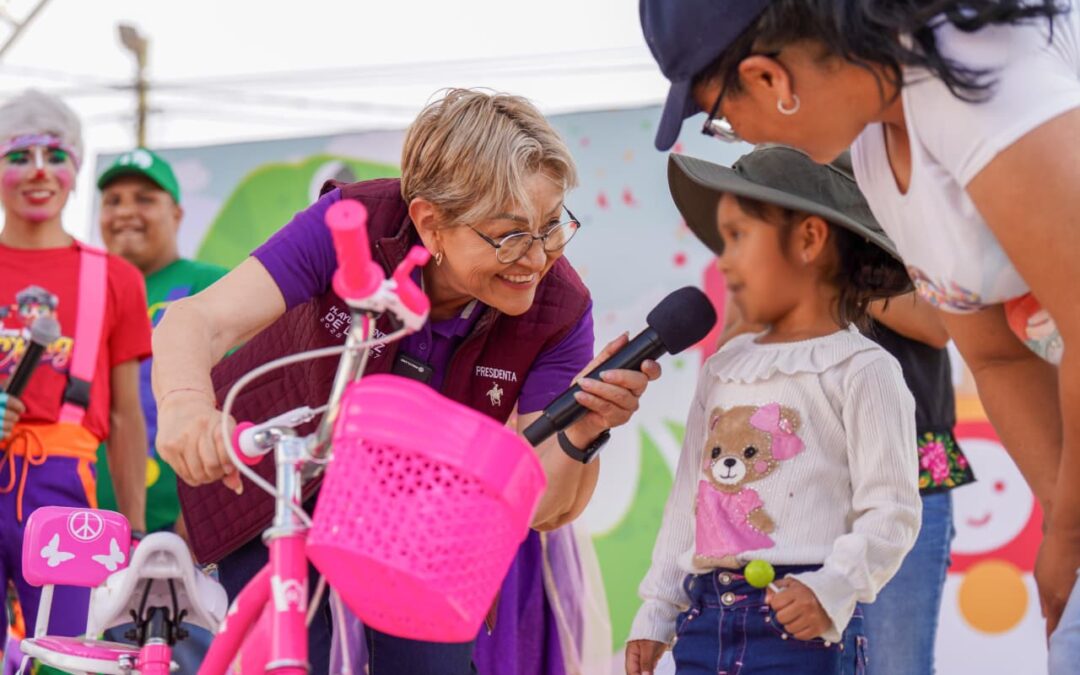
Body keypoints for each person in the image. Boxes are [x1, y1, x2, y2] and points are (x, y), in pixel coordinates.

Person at [150, 88, 660, 675]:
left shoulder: (560, 308)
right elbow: (198, 321)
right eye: (510, 235)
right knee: (293, 658)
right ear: (429, 222)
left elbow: (543, 507)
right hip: (280, 486)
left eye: (552, 226)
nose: (537, 257)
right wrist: (185, 406)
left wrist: (584, 431)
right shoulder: (353, 225)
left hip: (424, 523)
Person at [639, 0, 1080, 662]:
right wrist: (1064, 523)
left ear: (768, 78)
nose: (741, 137)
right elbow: (996, 357)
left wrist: (1069, 536)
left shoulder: (980, 91)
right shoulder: (877, 151)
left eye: (721, 120)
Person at [625, 146, 920, 675]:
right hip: (704, 619)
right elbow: (687, 501)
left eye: (739, 237)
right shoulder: (724, 367)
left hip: (799, 625)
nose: (724, 260)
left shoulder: (863, 370)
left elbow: (891, 511)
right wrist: (659, 608)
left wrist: (832, 587)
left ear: (809, 240)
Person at [0, 90, 151, 649]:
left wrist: (134, 531)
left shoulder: (115, 278)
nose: (39, 172)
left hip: (65, 494)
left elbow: (127, 416)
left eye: (55, 155)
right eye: (19, 156)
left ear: (75, 167)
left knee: (67, 652)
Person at [95, 147, 227, 536]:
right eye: (113, 201)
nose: (125, 212)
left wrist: (202, 512)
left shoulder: (212, 286)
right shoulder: (84, 293)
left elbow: (241, 395)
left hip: (179, 528)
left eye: (144, 199)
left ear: (177, 214)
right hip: (78, 519)